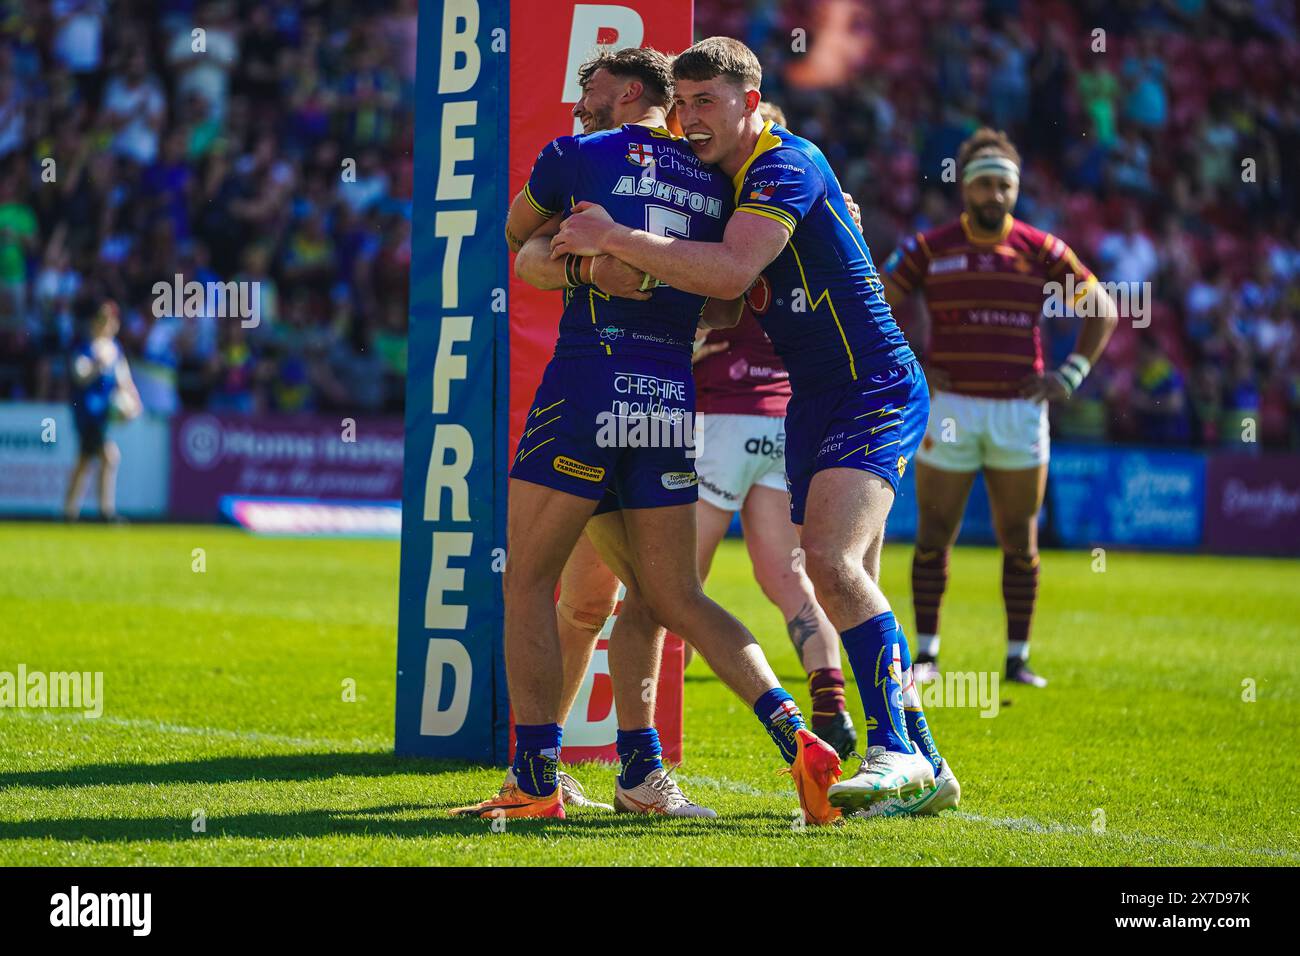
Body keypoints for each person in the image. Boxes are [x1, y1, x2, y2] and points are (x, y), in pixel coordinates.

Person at [551, 37, 955, 816]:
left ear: (750, 102)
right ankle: (928, 761)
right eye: (686, 104)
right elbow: (729, 301)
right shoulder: (725, 184)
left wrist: (615, 240)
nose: (692, 119)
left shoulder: (784, 163)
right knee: (803, 575)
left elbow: (734, 272)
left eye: (708, 103)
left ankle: (894, 751)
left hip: (872, 384)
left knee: (827, 565)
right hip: (811, 399)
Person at [451, 48, 842, 823]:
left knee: (530, 583)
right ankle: (791, 735)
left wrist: (589, 265)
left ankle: (534, 781)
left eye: (589, 88)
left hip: (588, 381)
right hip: (668, 394)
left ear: (630, 91)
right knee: (672, 596)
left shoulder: (579, 157)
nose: (579, 100)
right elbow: (728, 304)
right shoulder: (722, 182)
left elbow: (516, 235)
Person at [881, 128, 1117, 688]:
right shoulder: (929, 247)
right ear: (966, 188)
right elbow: (878, 298)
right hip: (951, 406)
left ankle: (1016, 658)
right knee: (936, 531)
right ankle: (928, 654)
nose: (995, 195)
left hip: (1017, 409)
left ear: (1016, 190)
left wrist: (1073, 373)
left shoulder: (1040, 249)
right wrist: (912, 361)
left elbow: (1102, 309)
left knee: (1020, 537)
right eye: (985, 184)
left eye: (1004, 186)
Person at [689, 101, 858, 759]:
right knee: (790, 580)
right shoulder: (817, 215)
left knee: (675, 588)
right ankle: (833, 706)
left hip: (722, 416)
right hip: (782, 423)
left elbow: (716, 297)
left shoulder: (732, 218)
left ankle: (641, 737)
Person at [65, 300, 140, 521]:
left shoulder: (115, 350)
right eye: (102, 320)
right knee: (109, 456)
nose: (106, 325)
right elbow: (79, 376)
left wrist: (133, 402)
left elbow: (125, 381)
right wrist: (97, 365)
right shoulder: (85, 348)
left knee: (84, 461)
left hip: (103, 414)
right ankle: (106, 512)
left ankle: (69, 512)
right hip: (87, 414)